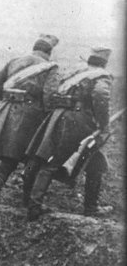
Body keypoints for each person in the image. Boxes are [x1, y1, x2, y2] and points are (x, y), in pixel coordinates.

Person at [23, 47, 114, 220]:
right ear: (105, 63)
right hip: (79, 123)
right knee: (55, 161)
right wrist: (104, 125)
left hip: (59, 116)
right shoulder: (101, 76)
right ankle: (35, 206)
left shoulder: (78, 73)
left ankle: (90, 207)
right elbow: (101, 96)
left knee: (95, 162)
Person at [0, 34, 60, 204]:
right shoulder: (50, 67)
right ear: (49, 51)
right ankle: (25, 197)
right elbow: (49, 95)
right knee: (31, 156)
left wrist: (6, 99)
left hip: (8, 110)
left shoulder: (15, 60)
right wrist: (48, 116)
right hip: (31, 114)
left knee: (10, 152)